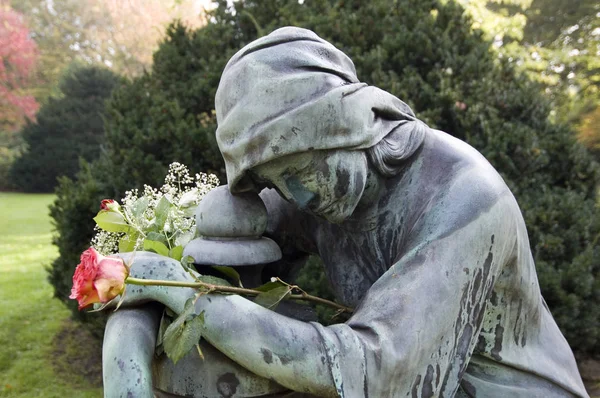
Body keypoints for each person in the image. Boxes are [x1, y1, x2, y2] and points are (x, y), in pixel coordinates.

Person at [105, 27, 589, 397]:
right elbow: (230, 247)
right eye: (276, 182)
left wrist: (187, 298)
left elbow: (374, 371)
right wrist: (160, 290)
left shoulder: (464, 198)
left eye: (299, 169)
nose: (297, 197)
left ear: (341, 126)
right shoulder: (324, 188)